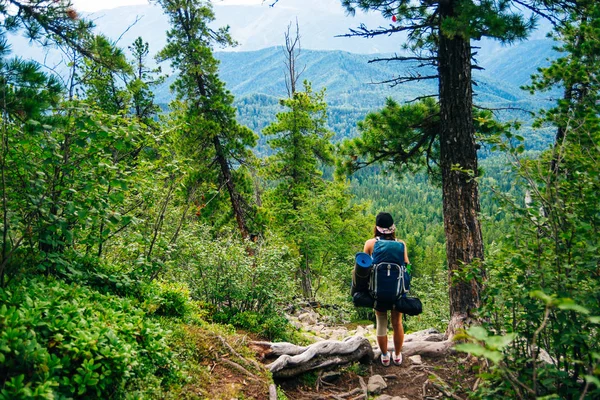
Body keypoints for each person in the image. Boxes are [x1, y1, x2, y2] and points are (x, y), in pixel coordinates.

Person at [363, 212, 410, 366]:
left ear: (377, 227)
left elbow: (363, 267)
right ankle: (397, 355)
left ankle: (384, 356)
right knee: (397, 323)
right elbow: (406, 266)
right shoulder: (401, 244)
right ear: (392, 228)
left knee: (381, 322)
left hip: (378, 292)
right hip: (396, 292)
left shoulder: (370, 244)